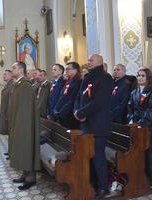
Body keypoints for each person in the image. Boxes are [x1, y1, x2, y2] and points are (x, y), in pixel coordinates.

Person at [73, 54, 113, 199]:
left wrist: (82, 112)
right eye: (88, 60)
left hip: (98, 124)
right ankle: (93, 182)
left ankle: (103, 187)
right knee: (89, 156)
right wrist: (77, 111)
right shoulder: (88, 77)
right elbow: (78, 97)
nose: (88, 62)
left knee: (98, 157)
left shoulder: (105, 78)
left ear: (100, 63)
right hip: (86, 124)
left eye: (91, 60)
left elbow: (99, 102)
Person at [8, 61, 40, 190]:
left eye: (13, 67)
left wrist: (22, 125)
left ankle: (30, 177)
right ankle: (25, 173)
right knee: (21, 148)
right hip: (18, 122)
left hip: (24, 124)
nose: (11, 70)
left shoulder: (25, 85)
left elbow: (26, 109)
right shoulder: (18, 84)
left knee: (26, 147)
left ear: (21, 70)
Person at [127, 67, 152, 186]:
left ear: (148, 78)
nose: (140, 78)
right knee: (137, 152)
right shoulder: (134, 92)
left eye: (142, 76)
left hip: (147, 127)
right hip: (135, 126)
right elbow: (129, 108)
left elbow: (150, 112)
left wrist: (140, 125)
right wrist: (131, 121)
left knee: (149, 152)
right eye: (138, 75)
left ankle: (150, 177)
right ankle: (139, 175)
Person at [54, 62, 82, 129]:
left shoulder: (78, 81)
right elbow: (62, 96)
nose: (66, 71)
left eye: (68, 69)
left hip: (69, 116)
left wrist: (61, 113)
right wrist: (56, 110)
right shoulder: (69, 81)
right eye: (66, 69)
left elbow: (72, 100)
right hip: (62, 114)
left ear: (75, 70)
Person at [0, 70, 14, 135]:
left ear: (11, 76)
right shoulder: (8, 85)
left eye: (5, 74)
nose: (3, 76)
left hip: (8, 114)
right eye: (3, 74)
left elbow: (11, 101)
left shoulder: (12, 85)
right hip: (5, 113)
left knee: (10, 132)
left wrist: (8, 114)